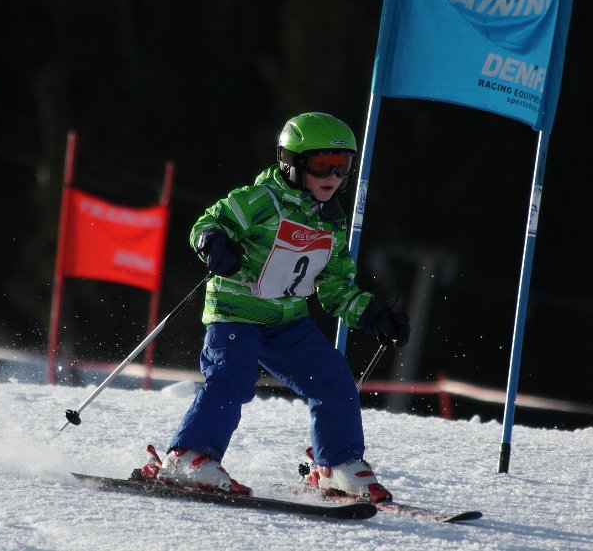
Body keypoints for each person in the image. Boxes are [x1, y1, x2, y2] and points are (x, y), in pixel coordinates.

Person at [141, 112, 410, 503]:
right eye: (321, 164)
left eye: (342, 166)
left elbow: (335, 287)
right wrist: (214, 244)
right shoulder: (260, 200)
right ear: (292, 162)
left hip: (286, 320)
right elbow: (206, 224)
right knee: (231, 377)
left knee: (333, 378)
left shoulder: (330, 222)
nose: (332, 176)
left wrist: (374, 316)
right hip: (237, 310)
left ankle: (337, 465)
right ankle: (190, 455)